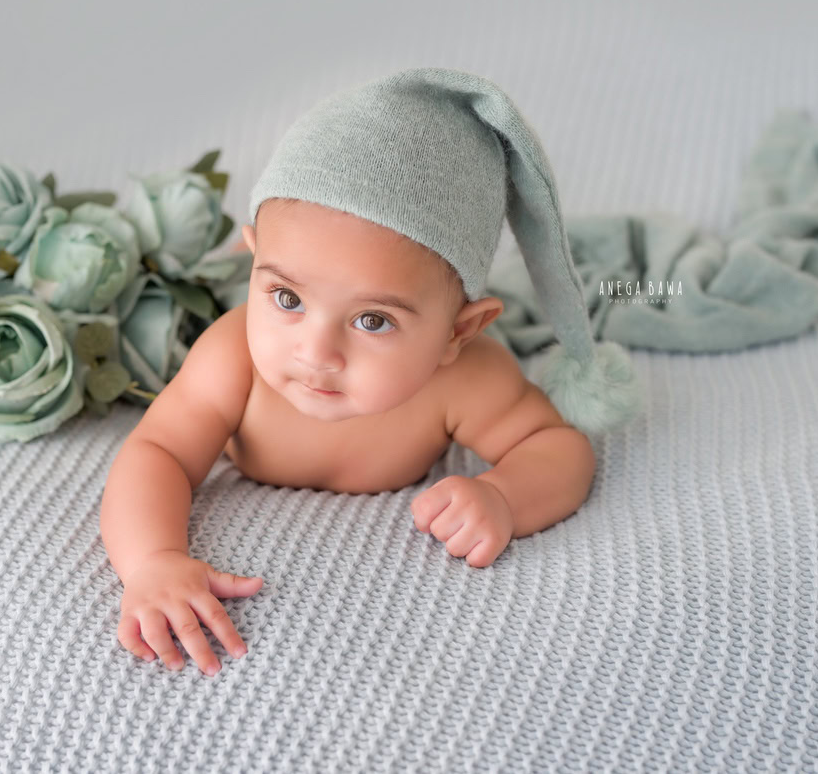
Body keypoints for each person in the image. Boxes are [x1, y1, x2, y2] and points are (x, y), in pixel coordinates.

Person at [99, 67, 645, 677]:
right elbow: (158, 452)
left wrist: (504, 496)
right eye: (286, 299)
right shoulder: (232, 357)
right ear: (253, 264)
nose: (316, 351)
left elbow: (557, 448)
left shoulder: (466, 378)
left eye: (373, 321)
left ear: (458, 333)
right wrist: (152, 561)